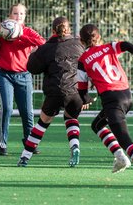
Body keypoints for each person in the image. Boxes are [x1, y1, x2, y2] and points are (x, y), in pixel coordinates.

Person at [77, 24, 133, 187]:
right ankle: (120, 158)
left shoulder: (82, 61)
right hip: (126, 96)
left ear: (81, 41)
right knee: (97, 125)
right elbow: (128, 45)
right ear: (99, 37)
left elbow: (82, 90)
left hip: (112, 101)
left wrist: (87, 100)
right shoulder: (109, 47)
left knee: (125, 140)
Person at [17, 16, 93, 167]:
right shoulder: (79, 45)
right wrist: (86, 96)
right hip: (75, 93)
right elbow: (87, 68)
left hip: (55, 93)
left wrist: (33, 54)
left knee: (42, 124)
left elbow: (32, 68)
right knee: (71, 119)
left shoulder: (46, 48)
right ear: (69, 29)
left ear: (53, 31)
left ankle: (25, 157)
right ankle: (75, 146)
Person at [0, 4, 46, 156]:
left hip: (24, 76)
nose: (18, 16)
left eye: (21, 14)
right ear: (10, 15)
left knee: (27, 112)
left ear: (25, 16)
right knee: (7, 109)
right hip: (5, 75)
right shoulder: (2, 32)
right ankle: (2, 144)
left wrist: (20, 35)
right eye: (15, 13)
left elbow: (43, 43)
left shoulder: (27, 32)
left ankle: (30, 142)